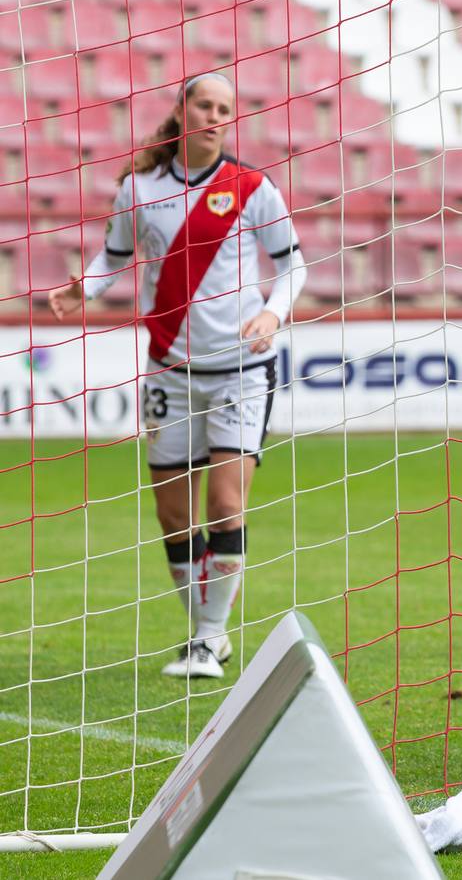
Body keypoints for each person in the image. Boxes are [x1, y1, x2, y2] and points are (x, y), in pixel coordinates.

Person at [48, 72, 306, 680]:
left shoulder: (251, 188)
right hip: (169, 371)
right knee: (173, 515)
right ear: (182, 112)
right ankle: (202, 631)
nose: (215, 115)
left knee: (224, 503)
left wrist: (273, 310)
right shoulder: (139, 190)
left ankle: (211, 635)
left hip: (242, 370)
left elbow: (292, 264)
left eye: (225, 108)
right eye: (205, 104)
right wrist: (83, 288)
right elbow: (114, 256)